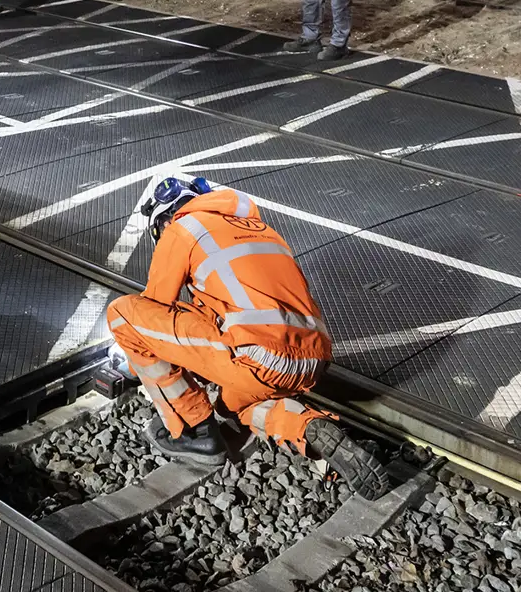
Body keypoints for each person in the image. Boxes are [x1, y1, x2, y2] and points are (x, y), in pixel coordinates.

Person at [106, 176, 392, 497]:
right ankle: (311, 430)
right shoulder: (262, 230)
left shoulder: (183, 228)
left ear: (165, 219)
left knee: (122, 313)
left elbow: (152, 312)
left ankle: (195, 431)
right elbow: (218, 316)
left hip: (258, 357)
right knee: (233, 408)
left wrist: (130, 359)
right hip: (314, 359)